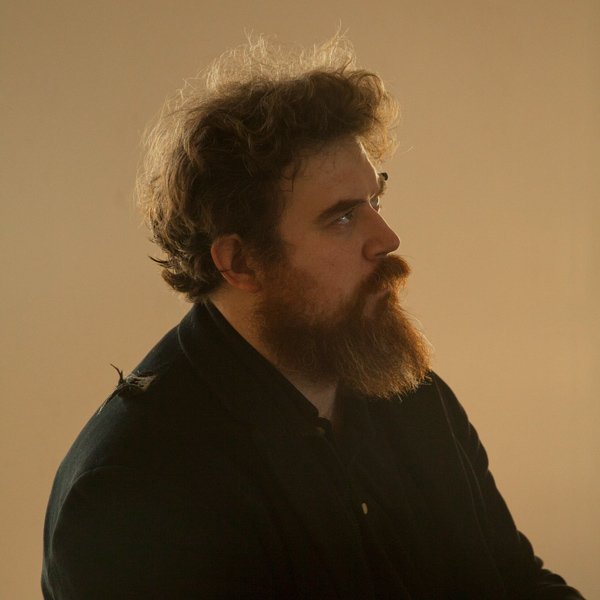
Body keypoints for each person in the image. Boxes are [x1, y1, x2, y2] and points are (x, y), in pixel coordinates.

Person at [41, 35, 584, 599]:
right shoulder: (133, 486)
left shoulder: (409, 393)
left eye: (375, 201)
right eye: (342, 218)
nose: (387, 238)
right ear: (240, 262)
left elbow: (516, 584)